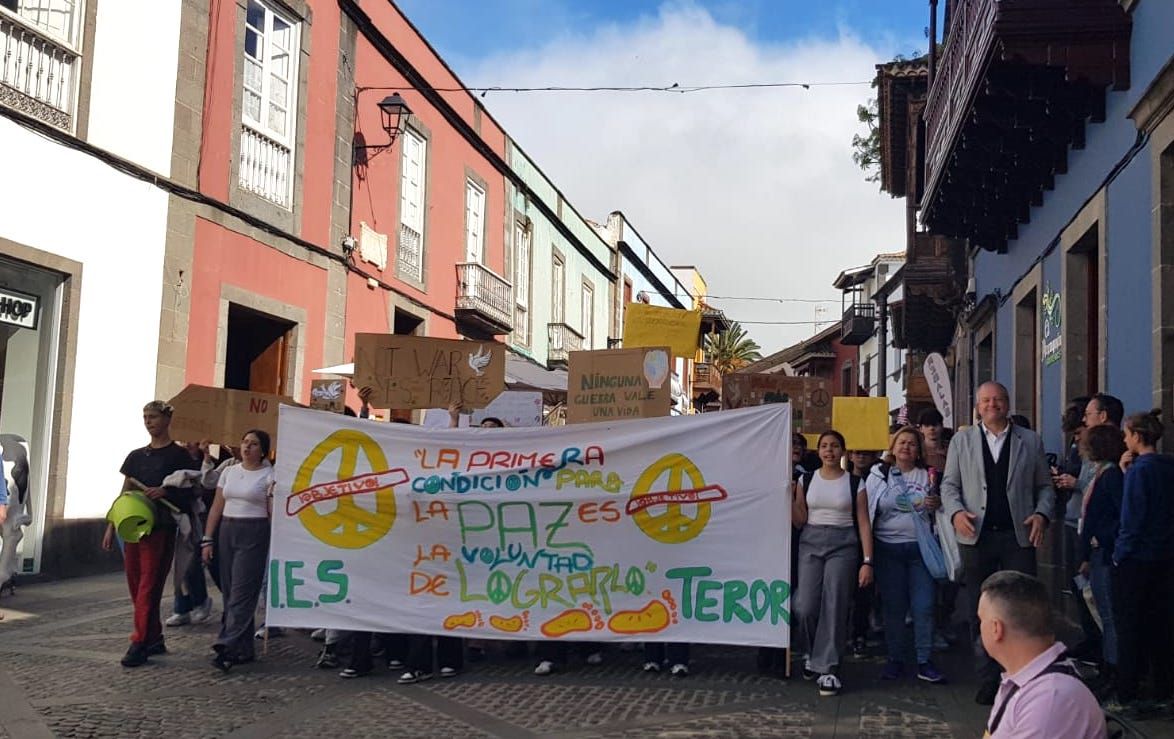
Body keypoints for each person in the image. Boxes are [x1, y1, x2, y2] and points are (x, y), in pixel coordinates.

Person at [939, 381, 1055, 705]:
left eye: (998, 400)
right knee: (982, 609)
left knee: (1024, 607)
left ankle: (1026, 678)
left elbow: (1045, 486)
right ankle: (989, 678)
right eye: (986, 400)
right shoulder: (962, 441)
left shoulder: (1029, 441)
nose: (992, 405)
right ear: (977, 406)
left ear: (1007, 403)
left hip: (1018, 536)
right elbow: (949, 485)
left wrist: (1042, 514)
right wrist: (956, 512)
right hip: (976, 537)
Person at [107, 400, 201, 667]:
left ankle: (139, 642)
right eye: (145, 417)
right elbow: (124, 492)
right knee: (136, 585)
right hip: (131, 527)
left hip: (160, 527)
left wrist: (166, 491)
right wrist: (111, 524)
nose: (149, 422)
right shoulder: (135, 456)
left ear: (167, 419)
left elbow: (192, 492)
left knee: (149, 585)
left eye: (154, 417)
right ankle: (154, 635)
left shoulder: (179, 456)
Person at [792, 430, 874, 696]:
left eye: (835, 446)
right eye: (825, 446)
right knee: (804, 605)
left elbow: (863, 522)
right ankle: (811, 652)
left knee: (835, 603)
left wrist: (867, 561)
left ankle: (828, 667)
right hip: (811, 542)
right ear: (818, 451)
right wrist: (787, 493)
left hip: (844, 545)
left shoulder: (854, 482)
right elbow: (799, 519)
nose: (829, 451)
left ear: (843, 451)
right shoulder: (806, 479)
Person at [978, 571, 1107, 738]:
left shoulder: (1050, 698)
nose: (979, 628)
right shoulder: (1028, 684)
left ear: (996, 628)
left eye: (981, 619)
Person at [865, 426, 946, 684]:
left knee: (924, 606)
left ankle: (924, 659)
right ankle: (895, 658)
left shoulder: (929, 476)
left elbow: (940, 511)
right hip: (888, 549)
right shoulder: (880, 474)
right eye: (901, 442)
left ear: (919, 449)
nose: (906, 447)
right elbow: (867, 510)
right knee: (894, 607)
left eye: (912, 443)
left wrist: (936, 505)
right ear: (893, 445)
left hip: (920, 550)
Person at [1111, 409, 1174, 714]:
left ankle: (1127, 693)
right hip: (1164, 558)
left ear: (1136, 436)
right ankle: (1163, 688)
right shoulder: (1167, 467)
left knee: (1130, 628)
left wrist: (1119, 556)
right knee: (1160, 626)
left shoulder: (1141, 471)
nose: (1124, 439)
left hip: (1136, 560)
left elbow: (1132, 520)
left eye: (1126, 434)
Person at [201, 429, 274, 672]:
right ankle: (244, 648)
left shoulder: (269, 475)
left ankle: (227, 644)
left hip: (254, 530)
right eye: (244, 442)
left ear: (262, 450)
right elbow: (216, 507)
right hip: (227, 530)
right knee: (230, 591)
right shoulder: (230, 471)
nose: (247, 447)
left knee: (243, 591)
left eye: (253, 444)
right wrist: (207, 538)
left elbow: (272, 512)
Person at [1076, 424, 1125, 688]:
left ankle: (1114, 673)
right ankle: (1108, 667)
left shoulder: (1111, 476)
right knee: (1102, 612)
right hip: (1096, 553)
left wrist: (1101, 538)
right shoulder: (1101, 473)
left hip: (1104, 553)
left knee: (1108, 615)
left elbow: (1120, 516)